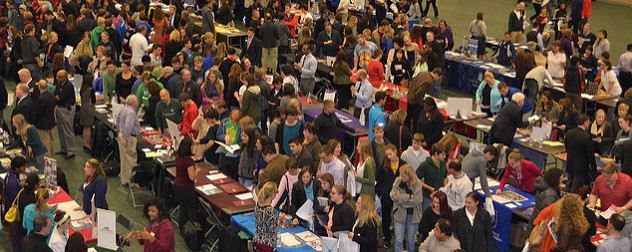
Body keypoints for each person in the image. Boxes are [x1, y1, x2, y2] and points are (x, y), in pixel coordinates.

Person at [376, 144, 407, 246]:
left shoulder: (404, 165)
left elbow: (407, 180)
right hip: (386, 196)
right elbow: (378, 179)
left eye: (390, 154)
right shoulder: (384, 164)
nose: (389, 157)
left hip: (399, 196)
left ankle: (401, 237)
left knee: (400, 217)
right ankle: (387, 237)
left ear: (395, 151)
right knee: (386, 217)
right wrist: (380, 193)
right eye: (387, 155)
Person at [391, 164, 423, 252]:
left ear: (410, 176)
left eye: (404, 176)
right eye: (400, 175)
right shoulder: (398, 181)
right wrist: (409, 196)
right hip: (399, 214)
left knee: (411, 241)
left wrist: (401, 199)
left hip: (413, 216)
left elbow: (418, 200)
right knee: (398, 240)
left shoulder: (417, 183)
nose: (401, 178)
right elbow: (393, 196)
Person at [565, 114, 597, 193]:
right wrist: (594, 167)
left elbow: (566, 147)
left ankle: (564, 201)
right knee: (576, 188)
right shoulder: (586, 137)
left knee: (568, 184)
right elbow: (590, 154)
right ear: (585, 122)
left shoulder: (569, 133)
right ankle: (571, 203)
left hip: (570, 163)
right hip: (581, 167)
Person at [116, 95, 140, 186]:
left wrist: (120, 132)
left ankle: (124, 179)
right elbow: (128, 126)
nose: (138, 102)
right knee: (130, 160)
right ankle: (130, 181)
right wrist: (126, 138)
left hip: (121, 134)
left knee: (124, 159)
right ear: (133, 103)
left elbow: (117, 120)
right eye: (137, 101)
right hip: (128, 137)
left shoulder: (124, 109)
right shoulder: (131, 113)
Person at [417, 143, 448, 211]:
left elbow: (445, 177)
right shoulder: (425, 165)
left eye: (445, 154)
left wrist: (445, 187)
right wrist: (430, 188)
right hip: (428, 197)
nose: (445, 156)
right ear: (436, 154)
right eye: (443, 154)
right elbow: (416, 179)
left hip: (441, 196)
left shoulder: (444, 163)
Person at [253, 181, 282, 251]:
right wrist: (279, 220)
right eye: (276, 192)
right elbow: (274, 230)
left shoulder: (258, 204)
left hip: (257, 239)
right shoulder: (271, 211)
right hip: (266, 244)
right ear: (272, 195)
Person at [54, 70, 76, 159]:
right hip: (59, 108)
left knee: (67, 130)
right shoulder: (59, 84)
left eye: (59, 77)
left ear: (65, 77)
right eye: (57, 76)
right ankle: (64, 148)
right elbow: (55, 93)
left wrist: (56, 96)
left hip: (67, 110)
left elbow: (59, 97)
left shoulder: (68, 86)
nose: (57, 79)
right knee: (61, 130)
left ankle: (71, 151)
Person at [79, 74, 95, 153]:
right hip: (89, 110)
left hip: (83, 108)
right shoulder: (91, 90)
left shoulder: (82, 89)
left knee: (85, 128)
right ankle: (88, 145)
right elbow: (94, 101)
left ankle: (85, 143)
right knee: (88, 128)